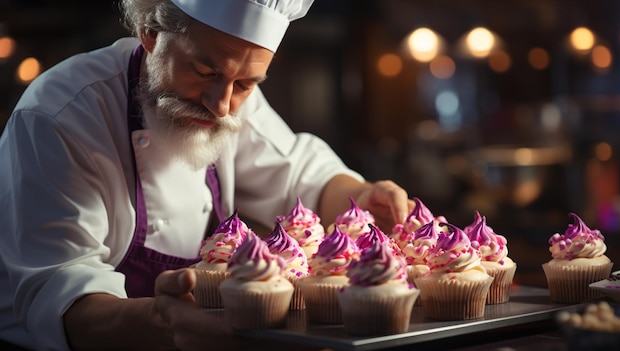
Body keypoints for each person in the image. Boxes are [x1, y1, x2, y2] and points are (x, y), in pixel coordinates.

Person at [0, 0, 414, 350]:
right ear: (150, 34)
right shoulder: (60, 116)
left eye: (246, 83)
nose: (222, 106)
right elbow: (56, 299)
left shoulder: (230, 90)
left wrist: (363, 195)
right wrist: (163, 322)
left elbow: (300, 174)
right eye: (203, 72)